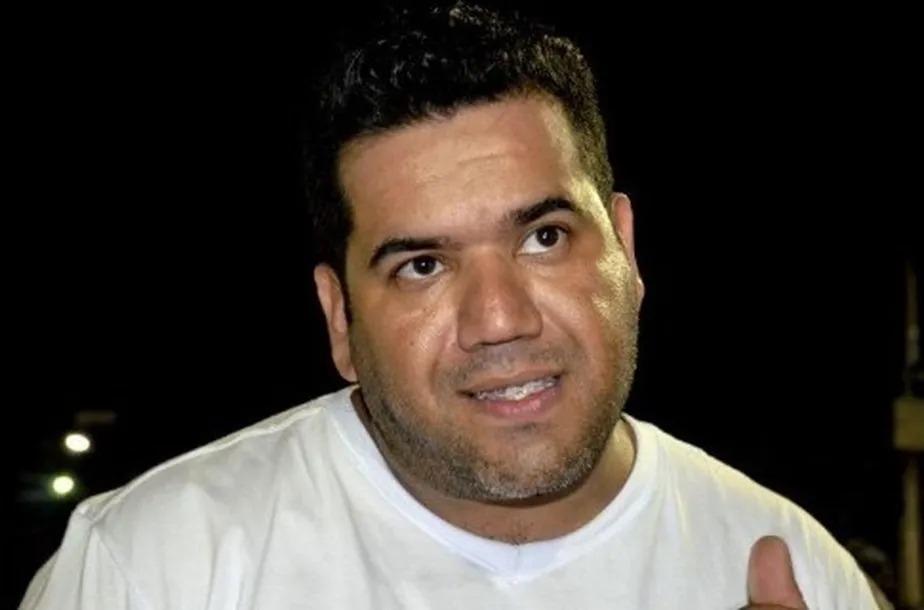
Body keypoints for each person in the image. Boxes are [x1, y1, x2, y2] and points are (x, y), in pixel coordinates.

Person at [21, 3, 882, 608]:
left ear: (624, 249)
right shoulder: (152, 567)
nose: (500, 318)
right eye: (423, 266)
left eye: (544, 237)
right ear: (339, 320)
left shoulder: (795, 568)